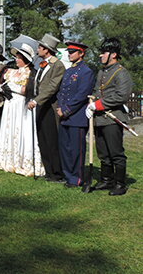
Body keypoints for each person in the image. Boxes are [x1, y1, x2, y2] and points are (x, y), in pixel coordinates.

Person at [86, 38, 133, 196]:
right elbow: (97, 91)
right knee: (103, 152)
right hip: (100, 118)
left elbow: (122, 95)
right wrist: (91, 102)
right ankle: (107, 180)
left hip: (113, 117)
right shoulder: (102, 71)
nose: (100, 55)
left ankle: (120, 184)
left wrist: (98, 105)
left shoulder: (121, 72)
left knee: (115, 152)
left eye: (103, 52)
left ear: (113, 54)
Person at [0, 44, 45, 177]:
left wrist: (10, 86)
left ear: (25, 59)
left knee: (21, 130)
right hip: (10, 104)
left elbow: (25, 90)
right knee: (9, 129)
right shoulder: (10, 72)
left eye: (19, 58)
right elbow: (2, 84)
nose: (16, 60)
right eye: (16, 57)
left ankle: (23, 161)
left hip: (21, 104)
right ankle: (8, 160)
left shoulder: (30, 73)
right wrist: (0, 88)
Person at [27, 33, 65, 182]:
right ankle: (48, 171)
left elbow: (52, 87)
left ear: (47, 50)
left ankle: (57, 172)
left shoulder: (57, 65)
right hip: (40, 105)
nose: (38, 49)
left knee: (51, 140)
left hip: (49, 105)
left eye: (40, 47)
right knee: (42, 139)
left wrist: (37, 101)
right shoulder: (40, 64)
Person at [56, 41, 95, 188]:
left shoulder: (86, 72)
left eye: (72, 51)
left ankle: (77, 178)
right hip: (64, 116)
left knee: (76, 150)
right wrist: (60, 107)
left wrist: (65, 110)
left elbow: (81, 95)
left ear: (81, 53)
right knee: (64, 148)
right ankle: (68, 176)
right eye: (69, 51)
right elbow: (61, 92)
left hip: (76, 117)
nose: (69, 54)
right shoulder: (68, 71)